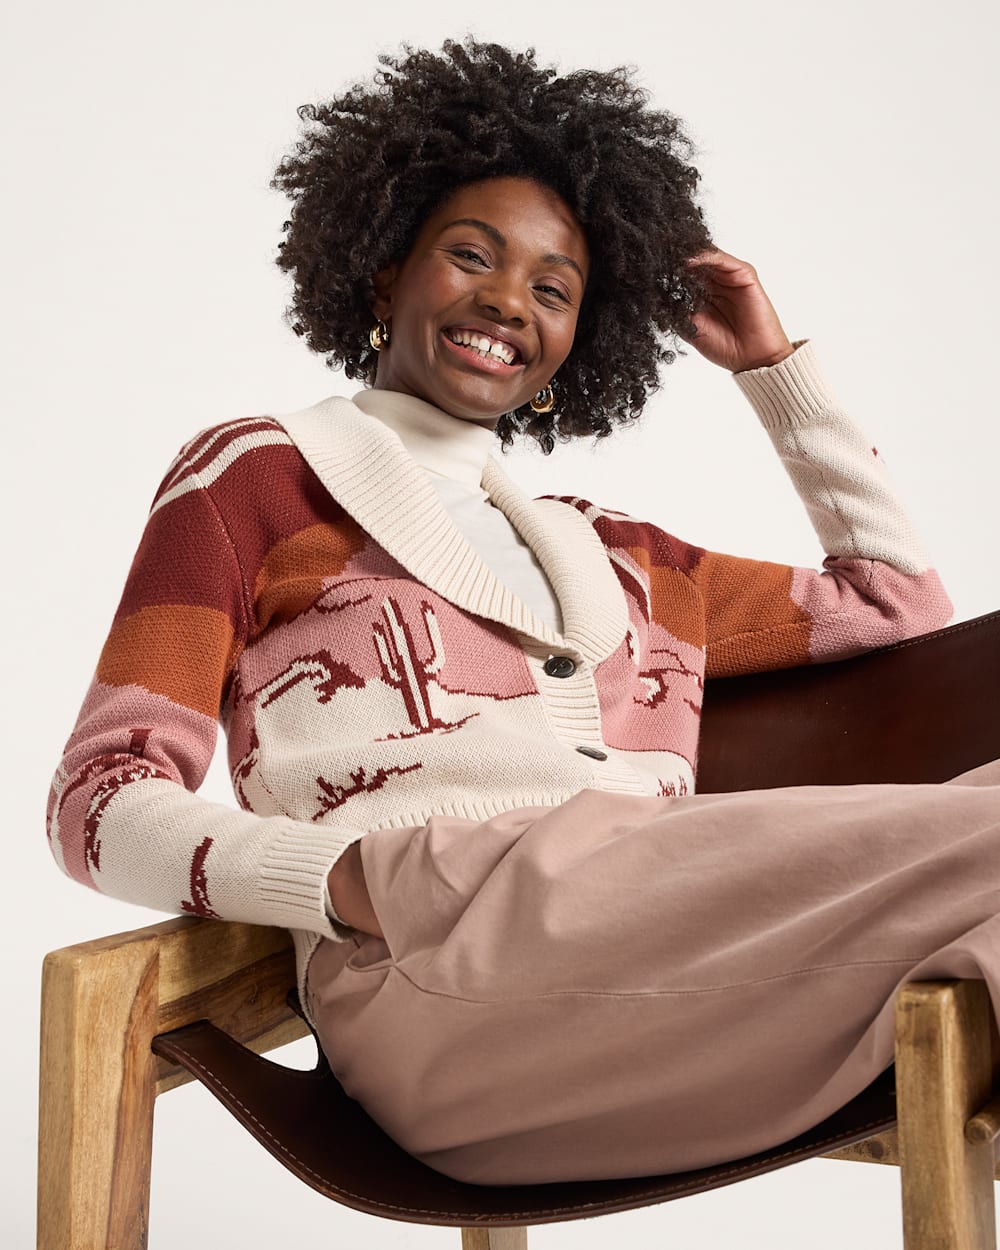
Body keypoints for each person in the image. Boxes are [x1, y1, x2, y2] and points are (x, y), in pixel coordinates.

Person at [47, 39, 1000, 1187]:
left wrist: (769, 366)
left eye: (554, 287)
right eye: (469, 255)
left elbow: (894, 603)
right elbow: (100, 800)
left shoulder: (625, 559)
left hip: (654, 971)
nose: (509, 299)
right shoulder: (257, 477)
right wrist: (340, 878)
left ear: (572, 349)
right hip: (431, 983)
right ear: (381, 269)